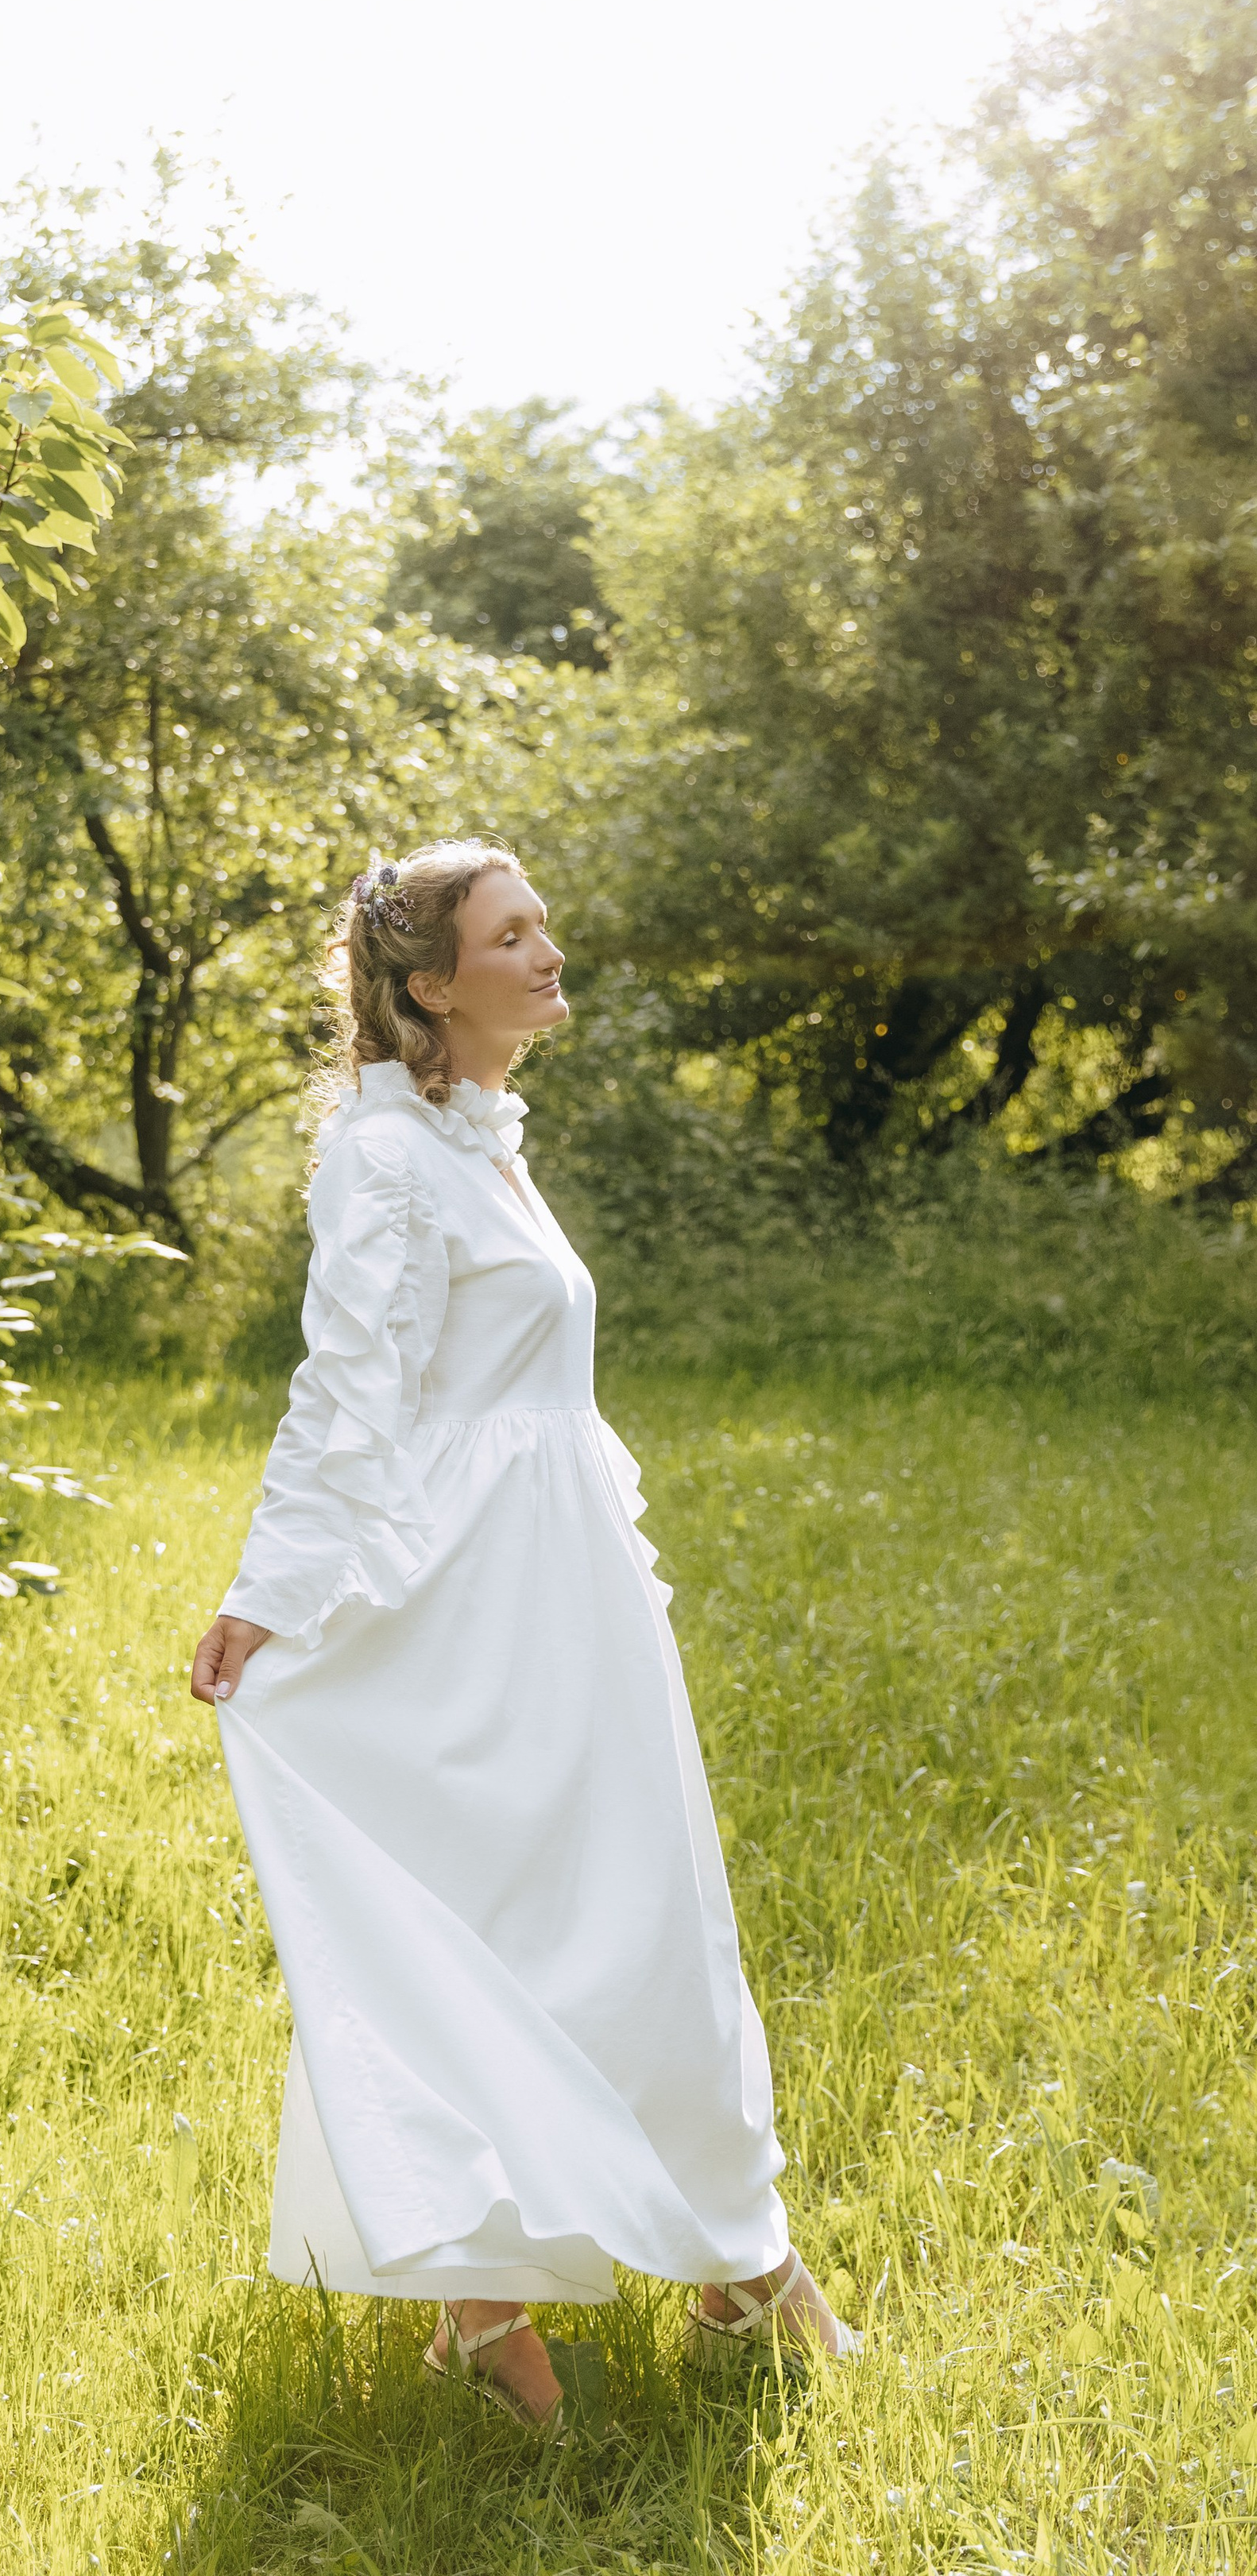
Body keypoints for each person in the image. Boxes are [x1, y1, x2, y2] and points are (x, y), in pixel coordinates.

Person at [190, 841, 856, 2429]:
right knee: (507, 1916)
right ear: (429, 984)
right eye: (513, 934)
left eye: (545, 922)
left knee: (643, 1910)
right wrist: (271, 1591)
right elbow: (350, 1386)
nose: (549, 951)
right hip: (470, 1603)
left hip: (567, 1592)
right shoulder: (379, 1158)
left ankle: (721, 2244)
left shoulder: (476, 1134)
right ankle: (486, 2297)